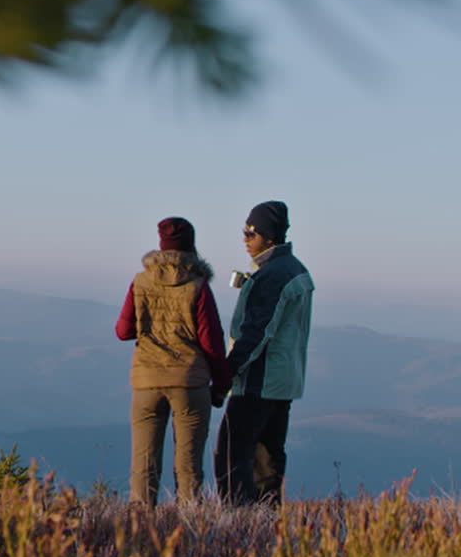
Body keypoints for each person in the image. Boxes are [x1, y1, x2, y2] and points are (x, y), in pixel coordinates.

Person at [116, 216, 231, 506]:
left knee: (143, 463)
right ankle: (190, 524)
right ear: (191, 247)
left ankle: (139, 525)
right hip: (189, 382)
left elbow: (123, 331)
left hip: (146, 381)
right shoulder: (198, 286)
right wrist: (221, 386)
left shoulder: (140, 282)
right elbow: (212, 341)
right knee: (189, 465)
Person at [214, 200, 314, 505]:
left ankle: (237, 521)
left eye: (250, 232)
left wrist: (227, 375)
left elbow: (256, 332)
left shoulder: (272, 275)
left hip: (259, 379)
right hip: (285, 381)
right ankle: (268, 520)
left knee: (232, 454)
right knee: (268, 457)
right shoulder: (296, 270)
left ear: (268, 236)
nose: (244, 238)